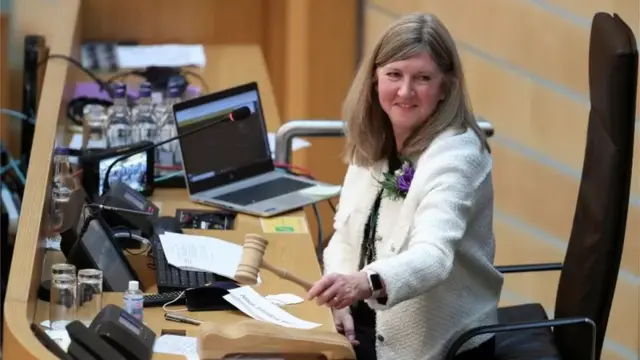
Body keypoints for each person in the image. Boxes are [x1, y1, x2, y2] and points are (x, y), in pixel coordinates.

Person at [306, 13, 504, 360]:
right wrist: (338, 297)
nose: (405, 91)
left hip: (435, 346)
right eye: (394, 75)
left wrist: (363, 283)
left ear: (446, 86)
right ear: (374, 79)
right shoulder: (376, 138)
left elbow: (434, 257)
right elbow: (345, 234)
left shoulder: (458, 155)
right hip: (363, 326)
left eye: (422, 78)